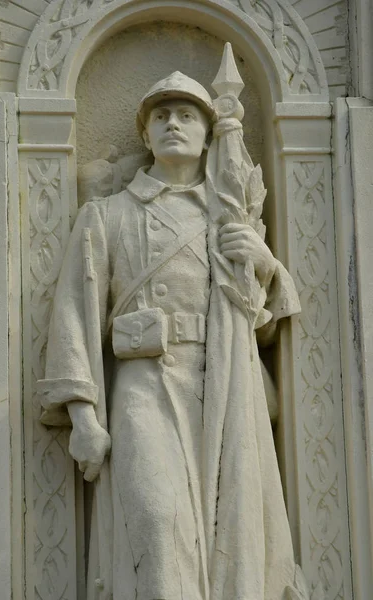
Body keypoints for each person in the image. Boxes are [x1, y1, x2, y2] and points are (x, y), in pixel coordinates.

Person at [38, 71, 308, 600]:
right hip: (144, 386)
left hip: (223, 384)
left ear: (209, 133)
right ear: (145, 136)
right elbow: (75, 313)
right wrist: (83, 416)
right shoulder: (107, 214)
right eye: (160, 116)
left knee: (227, 534)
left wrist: (266, 265)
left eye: (187, 115)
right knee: (157, 523)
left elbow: (265, 322)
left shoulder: (231, 216)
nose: (173, 124)